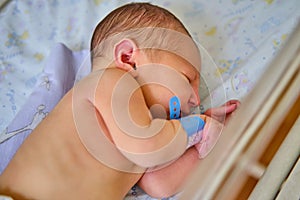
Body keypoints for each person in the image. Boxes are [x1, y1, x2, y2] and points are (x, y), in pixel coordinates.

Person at [0, 3, 240, 199]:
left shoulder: (142, 129)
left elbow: (159, 185)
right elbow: (148, 146)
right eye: (187, 78)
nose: (195, 99)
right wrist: (200, 127)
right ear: (128, 58)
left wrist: (216, 139)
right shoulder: (110, 82)